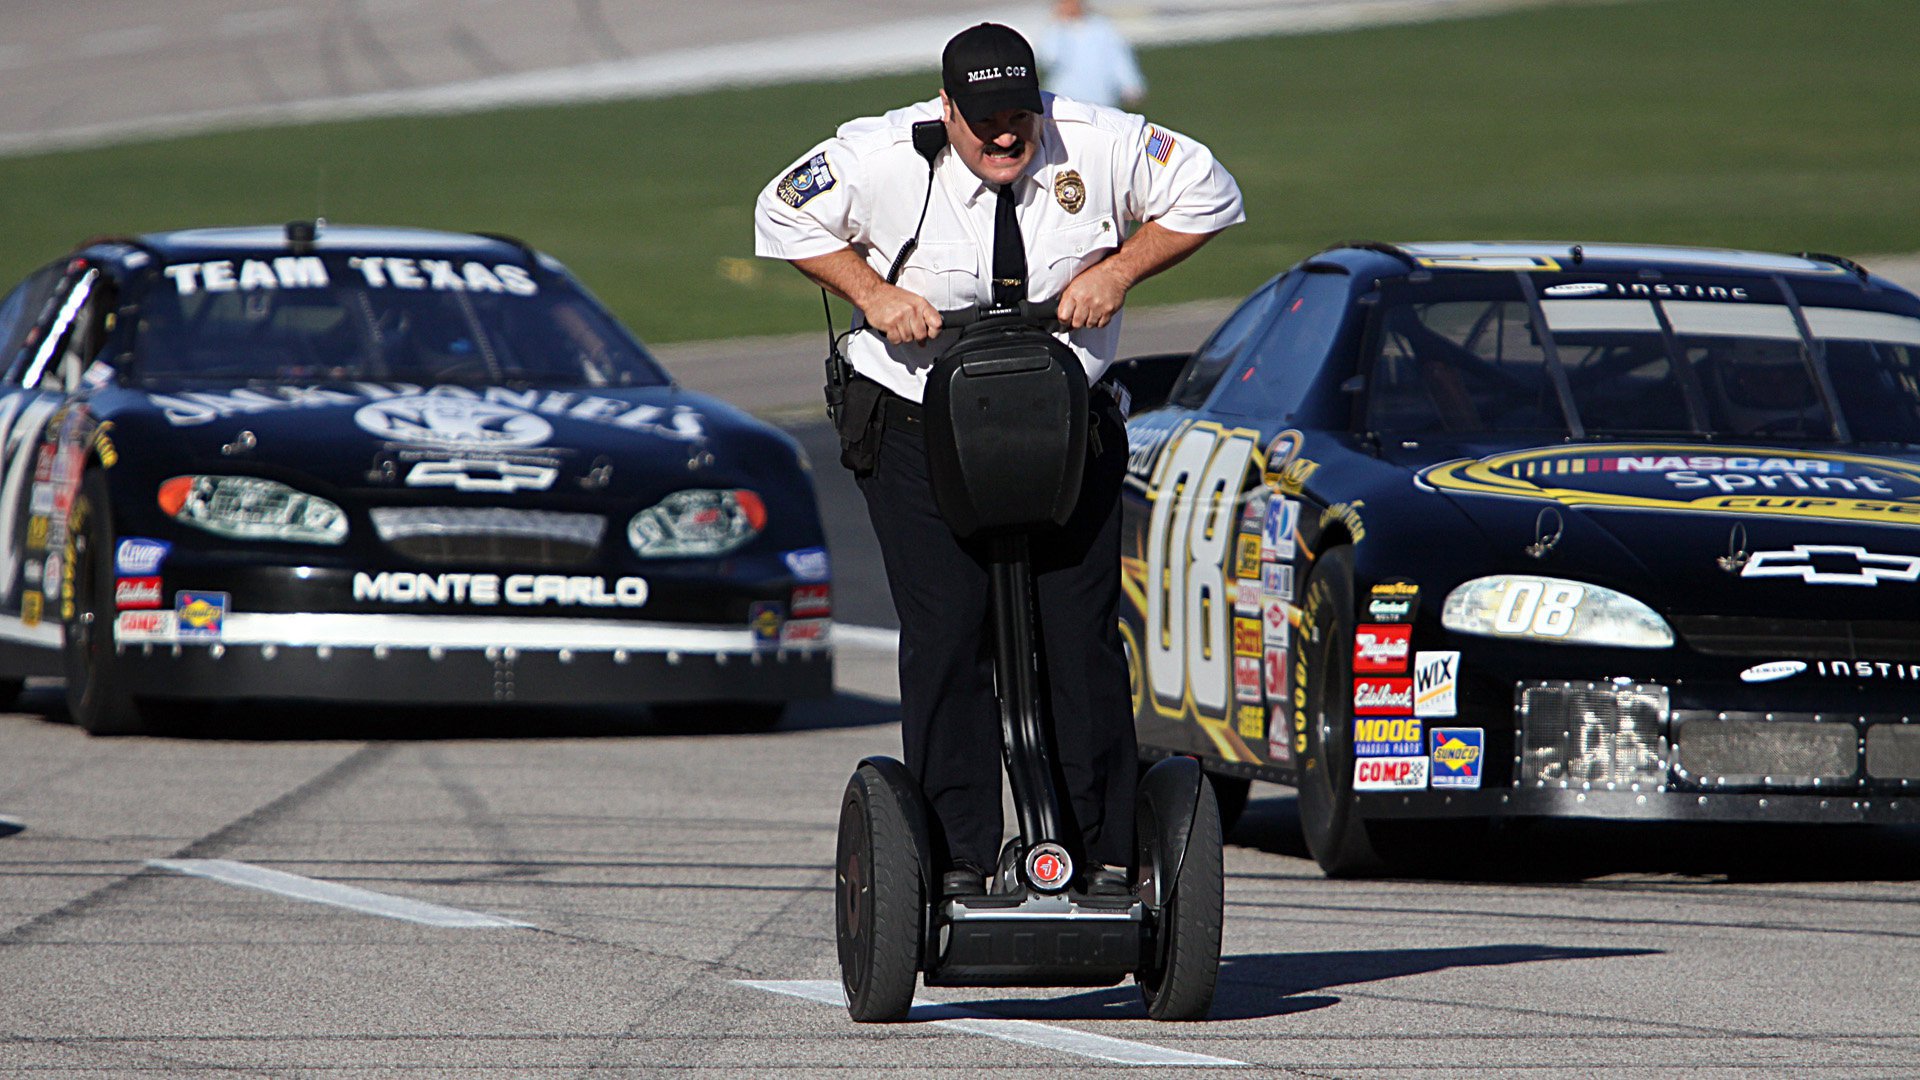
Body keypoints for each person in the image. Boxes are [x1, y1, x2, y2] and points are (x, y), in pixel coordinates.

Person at [754, 22, 1242, 897]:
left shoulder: (1097, 141)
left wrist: (1120, 272)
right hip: (915, 423)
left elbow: (1209, 191)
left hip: (1062, 423)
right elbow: (779, 210)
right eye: (985, 121)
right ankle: (958, 862)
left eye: (1020, 113)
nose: (1006, 135)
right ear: (949, 110)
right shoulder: (879, 157)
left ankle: (1100, 854)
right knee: (949, 634)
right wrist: (874, 294)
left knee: (1079, 637)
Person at [1036, 0, 1145, 109]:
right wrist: (1058, 26)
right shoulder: (1054, 30)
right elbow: (1048, 58)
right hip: (1065, 100)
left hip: (1100, 99)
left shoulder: (1102, 28)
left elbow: (1118, 58)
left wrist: (1130, 85)